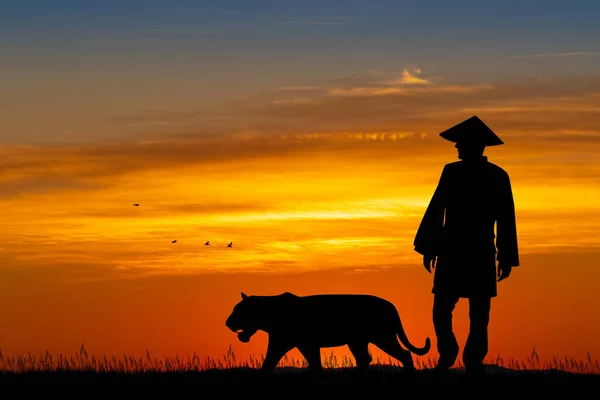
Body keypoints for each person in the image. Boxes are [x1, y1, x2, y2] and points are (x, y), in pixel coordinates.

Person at [413, 115, 520, 377]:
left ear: (474, 145)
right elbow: (437, 209)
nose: (456, 147)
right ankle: (448, 352)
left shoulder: (497, 177)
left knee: (479, 313)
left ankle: (472, 361)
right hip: (453, 251)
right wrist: (430, 247)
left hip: (478, 251)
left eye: (460, 142)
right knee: (442, 309)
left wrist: (505, 256)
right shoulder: (452, 172)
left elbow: (506, 219)